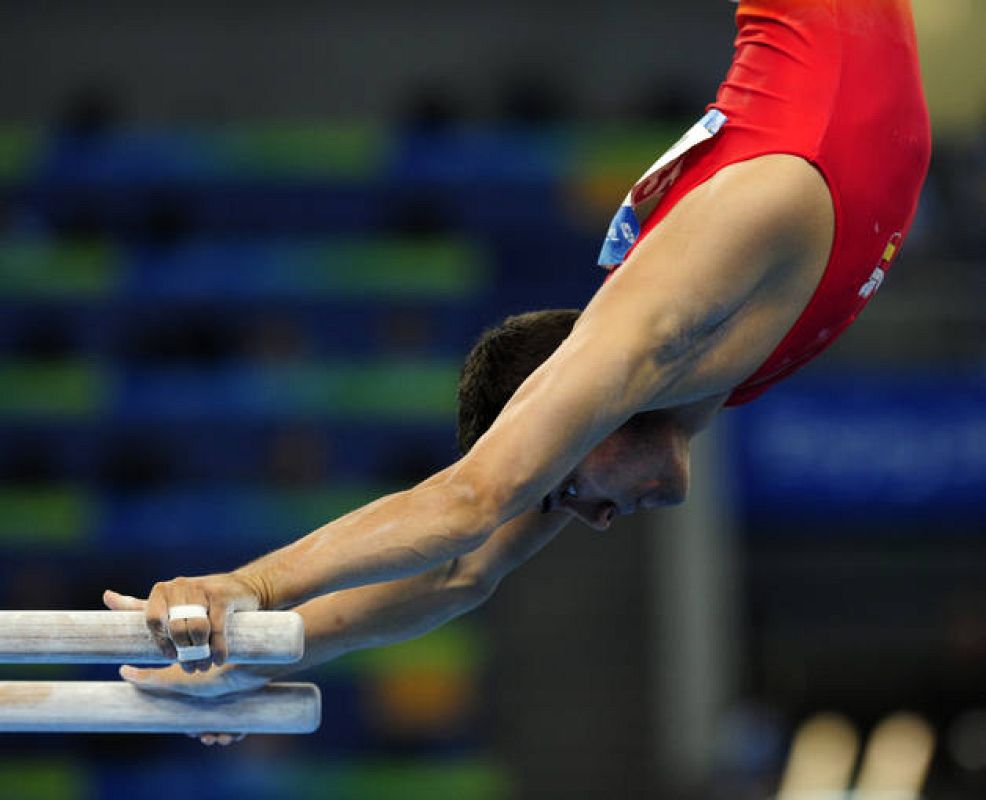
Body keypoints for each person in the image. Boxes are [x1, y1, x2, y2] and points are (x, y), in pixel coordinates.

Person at [102, 0, 931, 745]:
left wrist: (249, 585)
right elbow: (463, 571)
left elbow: (467, 503)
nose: (593, 520)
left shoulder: (653, 329)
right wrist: (260, 656)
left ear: (576, 410)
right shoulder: (681, 379)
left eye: (564, 488)